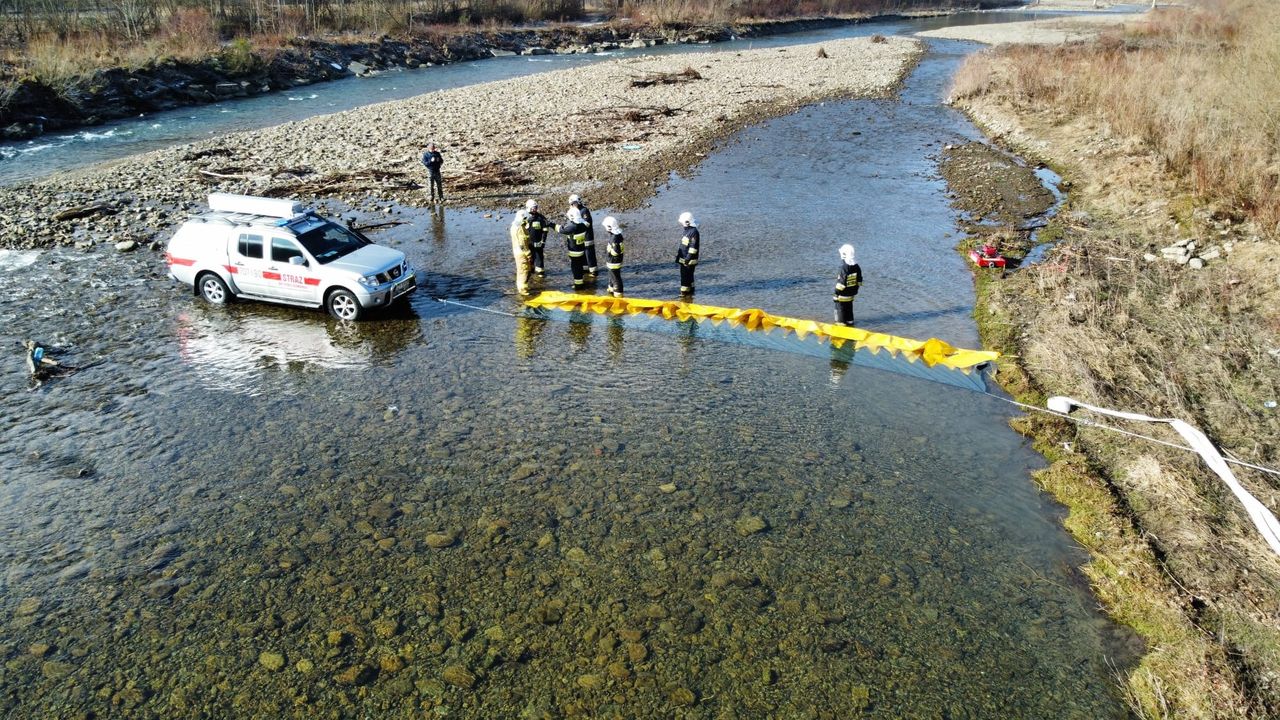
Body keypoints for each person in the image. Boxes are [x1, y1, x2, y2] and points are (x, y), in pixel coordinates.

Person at [556, 208, 590, 289]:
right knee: (579, 267)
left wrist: (551, 224)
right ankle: (580, 281)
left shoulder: (573, 227)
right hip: (581, 250)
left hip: (574, 252)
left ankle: (578, 285)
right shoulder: (584, 225)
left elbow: (561, 230)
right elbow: (585, 223)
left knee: (575, 268)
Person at [833, 243, 862, 327]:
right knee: (849, 309)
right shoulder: (856, 266)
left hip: (842, 295)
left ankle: (841, 325)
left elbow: (841, 283)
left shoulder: (844, 268)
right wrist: (855, 290)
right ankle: (850, 323)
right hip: (851, 294)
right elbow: (859, 280)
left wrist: (836, 293)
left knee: (840, 310)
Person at [569, 194, 597, 276]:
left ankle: (593, 270)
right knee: (583, 253)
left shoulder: (584, 210)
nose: (572, 205)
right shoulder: (575, 211)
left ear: (578, 202)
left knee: (589, 253)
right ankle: (585, 268)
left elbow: (587, 223)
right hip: (581, 236)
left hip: (587, 236)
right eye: (571, 203)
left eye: (574, 203)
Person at [509, 209, 533, 296]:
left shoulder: (514, 225)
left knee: (521, 270)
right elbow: (522, 243)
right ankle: (523, 291)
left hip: (517, 251)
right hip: (522, 253)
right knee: (524, 270)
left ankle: (522, 287)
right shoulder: (520, 228)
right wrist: (528, 254)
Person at [676, 211, 699, 295]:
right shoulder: (687, 231)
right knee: (689, 277)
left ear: (687, 222)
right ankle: (691, 294)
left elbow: (693, 248)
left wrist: (687, 259)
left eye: (682, 222)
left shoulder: (693, 232)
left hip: (688, 261)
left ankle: (684, 295)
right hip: (685, 259)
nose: (682, 224)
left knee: (685, 278)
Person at [525, 199, 549, 277]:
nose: (535, 209)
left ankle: (540, 273)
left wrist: (543, 241)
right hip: (529, 243)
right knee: (530, 258)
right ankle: (530, 271)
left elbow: (545, 230)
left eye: (535, 207)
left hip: (539, 243)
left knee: (539, 258)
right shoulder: (525, 218)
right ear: (528, 208)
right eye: (533, 208)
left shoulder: (541, 218)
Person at [602, 216, 624, 298]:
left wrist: (610, 250)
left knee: (615, 277)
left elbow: (616, 251)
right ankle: (611, 289)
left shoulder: (614, 238)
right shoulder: (617, 235)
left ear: (609, 227)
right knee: (612, 275)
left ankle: (618, 293)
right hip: (615, 261)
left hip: (613, 261)